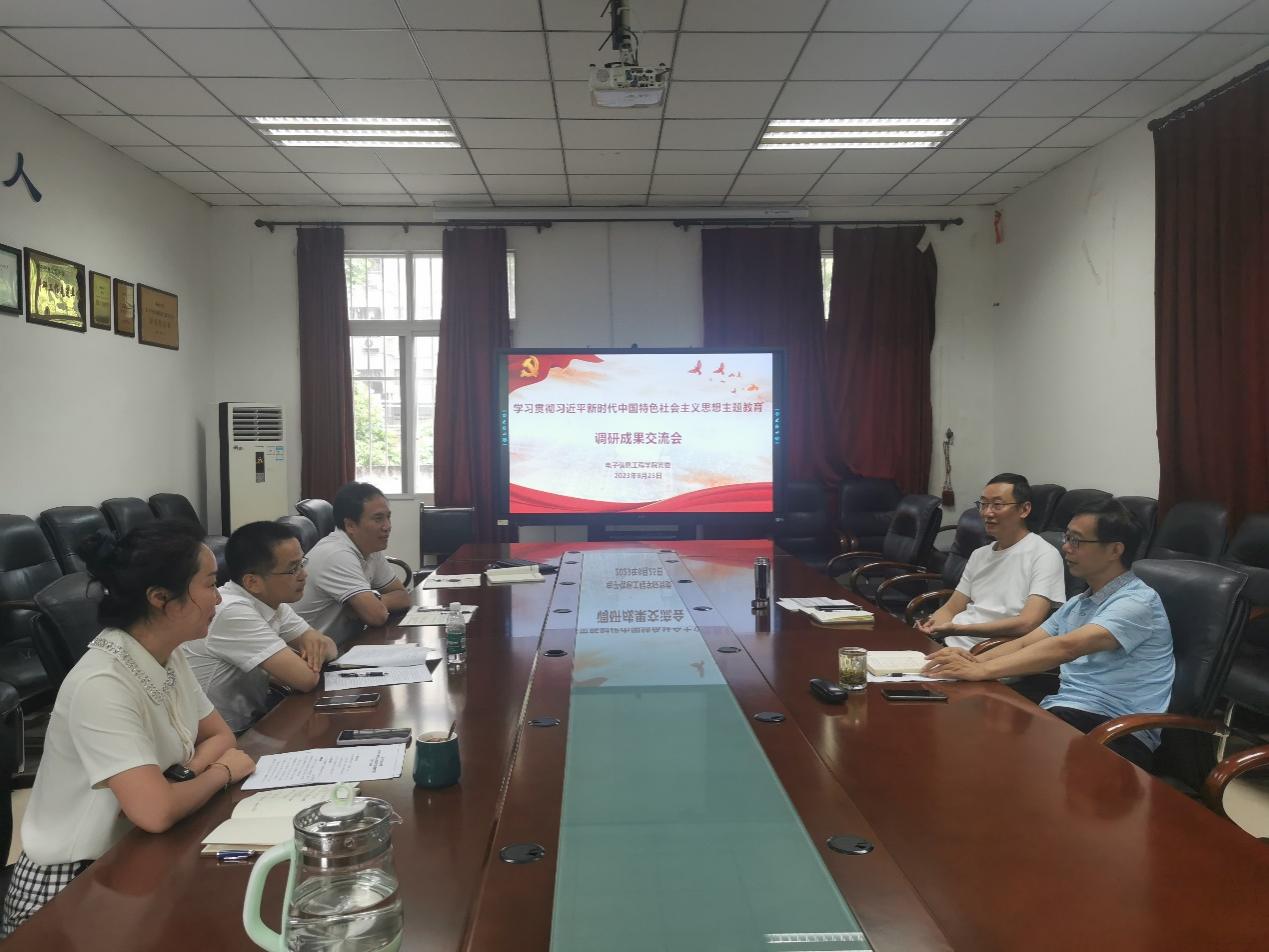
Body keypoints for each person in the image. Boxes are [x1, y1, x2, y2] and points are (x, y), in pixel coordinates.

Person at [2, 523, 256, 936]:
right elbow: (156, 811)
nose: (219, 597)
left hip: (134, 850)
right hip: (70, 883)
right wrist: (223, 772)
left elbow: (220, 736)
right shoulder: (102, 682)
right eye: (210, 584)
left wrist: (182, 776)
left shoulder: (165, 653)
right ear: (161, 598)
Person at [923, 499, 1173, 771]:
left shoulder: (1137, 602)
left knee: (994, 757)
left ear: (1115, 550)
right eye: (1067, 537)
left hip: (1116, 731)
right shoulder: (1080, 602)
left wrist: (981, 670)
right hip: (1069, 712)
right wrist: (971, 661)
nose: (1066, 547)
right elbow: (1026, 642)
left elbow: (1067, 647)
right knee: (971, 730)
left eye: (1076, 541)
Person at [182, 521, 339, 733]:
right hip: (220, 736)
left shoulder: (271, 602)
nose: (304, 574)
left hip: (254, 720)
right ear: (252, 582)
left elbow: (329, 648)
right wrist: (310, 652)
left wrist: (313, 647)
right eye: (293, 569)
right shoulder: (232, 611)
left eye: (302, 563)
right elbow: (305, 679)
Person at [917, 473, 1066, 649]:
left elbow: (1028, 623)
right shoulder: (979, 554)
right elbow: (951, 608)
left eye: (997, 505)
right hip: (947, 642)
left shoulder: (1044, 555)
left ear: (1024, 509)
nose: (987, 513)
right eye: (983, 504)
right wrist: (931, 625)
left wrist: (958, 629)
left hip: (987, 652)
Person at [294, 482, 411, 644]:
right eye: (378, 519)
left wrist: (375, 600)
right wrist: (374, 605)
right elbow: (376, 616)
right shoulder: (336, 555)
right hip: (309, 655)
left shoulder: (370, 546)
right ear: (350, 525)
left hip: (343, 645)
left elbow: (403, 596)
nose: (387, 526)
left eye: (388, 517)